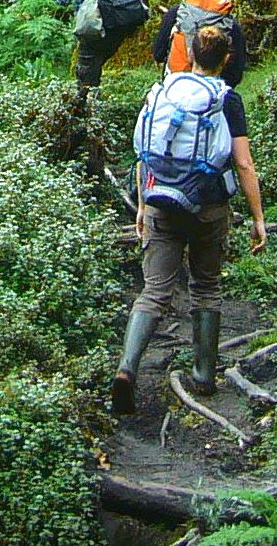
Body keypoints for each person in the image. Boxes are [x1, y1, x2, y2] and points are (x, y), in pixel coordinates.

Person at [111, 23, 267, 416]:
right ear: (226, 60)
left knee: (154, 291)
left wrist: (144, 205)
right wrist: (258, 218)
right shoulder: (227, 100)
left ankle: (127, 369)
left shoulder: (164, 92)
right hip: (208, 208)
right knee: (206, 287)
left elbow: (146, 152)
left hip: (161, 201)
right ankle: (203, 375)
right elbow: (243, 164)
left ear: (190, 54)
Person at [153, 0, 248, 86]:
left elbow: (158, 54)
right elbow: (236, 75)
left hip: (174, 85)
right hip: (212, 93)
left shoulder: (176, 13)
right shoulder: (231, 25)